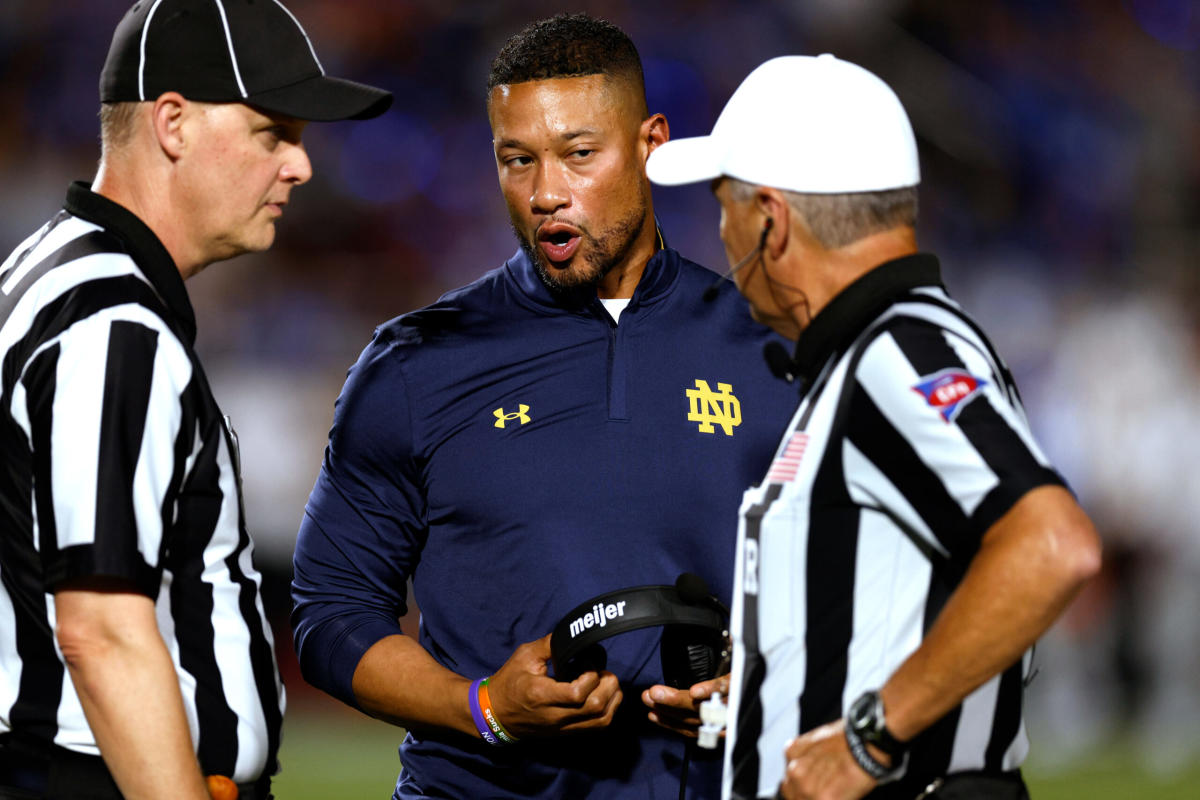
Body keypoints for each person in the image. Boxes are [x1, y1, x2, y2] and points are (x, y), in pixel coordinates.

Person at [290, 13, 798, 800]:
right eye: (516, 160)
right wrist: (481, 706)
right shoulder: (415, 364)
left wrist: (762, 686)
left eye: (579, 154)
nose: (546, 193)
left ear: (651, 143)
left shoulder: (771, 351)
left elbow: (857, 595)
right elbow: (331, 613)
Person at [646, 54, 1102, 800]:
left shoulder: (898, 354)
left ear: (771, 219)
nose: (719, 234)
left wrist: (869, 738)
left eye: (723, 203)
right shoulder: (875, 352)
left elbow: (1053, 545)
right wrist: (767, 696)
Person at [0, 2, 391, 798]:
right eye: (272, 132)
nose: (301, 166)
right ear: (173, 123)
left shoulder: (53, 273)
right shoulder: (112, 324)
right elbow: (101, 631)